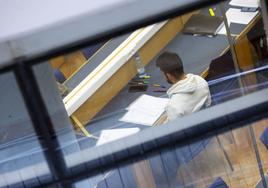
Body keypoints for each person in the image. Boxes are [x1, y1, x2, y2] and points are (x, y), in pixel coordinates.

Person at [156, 51, 211, 122]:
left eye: (163, 74)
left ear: (168, 75)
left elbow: (175, 130)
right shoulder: (200, 80)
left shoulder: (174, 106)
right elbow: (208, 104)